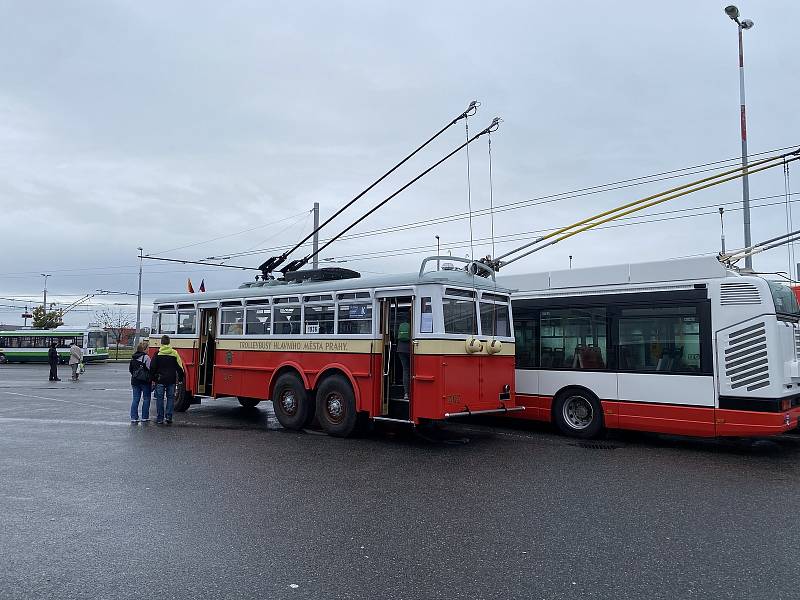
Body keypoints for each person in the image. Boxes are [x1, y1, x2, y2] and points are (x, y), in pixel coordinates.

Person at [150, 335, 185, 425]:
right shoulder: (174, 353)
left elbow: (152, 367)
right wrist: (180, 379)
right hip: (171, 380)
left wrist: (153, 378)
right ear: (169, 342)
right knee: (170, 398)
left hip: (160, 379)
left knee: (160, 399)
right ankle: (169, 417)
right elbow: (180, 368)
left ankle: (160, 418)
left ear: (161, 343)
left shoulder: (157, 353)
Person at [129, 341, 152, 423]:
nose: (148, 350)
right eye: (148, 348)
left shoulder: (133, 357)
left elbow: (131, 370)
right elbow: (150, 369)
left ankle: (134, 417)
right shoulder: (146, 358)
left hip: (135, 381)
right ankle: (144, 417)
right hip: (145, 381)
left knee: (135, 399)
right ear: (144, 349)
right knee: (146, 399)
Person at [397, 319, 411, 400]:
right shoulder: (413, 325)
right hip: (409, 349)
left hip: (400, 349)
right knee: (411, 370)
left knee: (405, 370)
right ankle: (412, 391)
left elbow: (396, 336)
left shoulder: (401, 325)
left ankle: (406, 393)